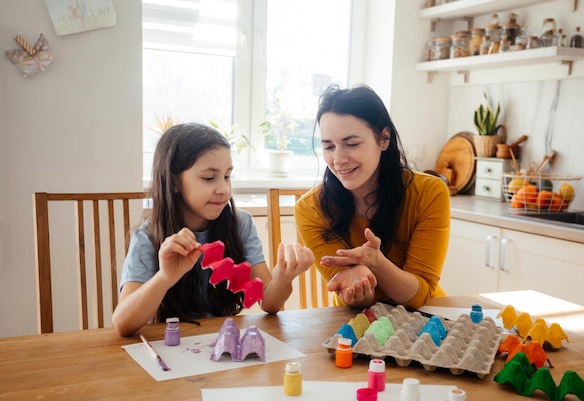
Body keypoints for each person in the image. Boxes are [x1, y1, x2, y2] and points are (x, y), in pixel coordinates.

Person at [112, 123, 314, 337]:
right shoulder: (148, 236)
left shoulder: (241, 224)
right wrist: (165, 277)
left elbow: (269, 304)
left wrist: (282, 279)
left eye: (227, 176)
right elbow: (123, 323)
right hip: (171, 345)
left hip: (224, 343)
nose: (224, 189)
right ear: (174, 182)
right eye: (209, 178)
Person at [295, 84, 449, 310]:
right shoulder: (310, 208)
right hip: (355, 319)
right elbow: (350, 288)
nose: (338, 159)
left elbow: (419, 296)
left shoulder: (429, 192)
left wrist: (376, 263)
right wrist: (360, 293)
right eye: (329, 147)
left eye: (352, 144)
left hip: (427, 318)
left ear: (384, 138)